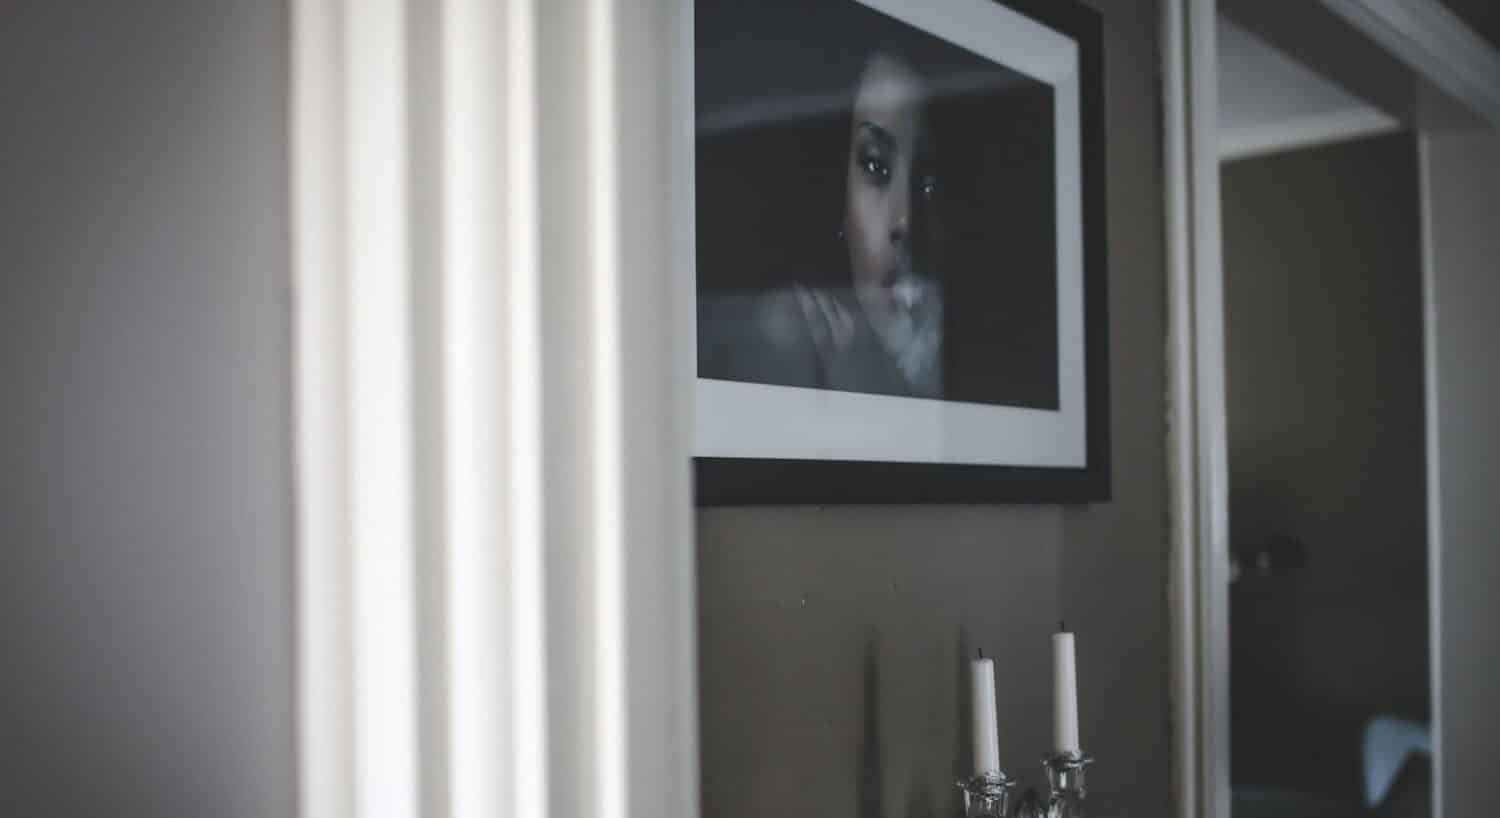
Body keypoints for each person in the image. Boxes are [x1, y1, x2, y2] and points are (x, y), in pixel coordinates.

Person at [700, 49, 945, 399]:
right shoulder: (787, 340)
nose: (904, 220)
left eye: (928, 182)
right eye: (876, 167)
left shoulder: (944, 346)